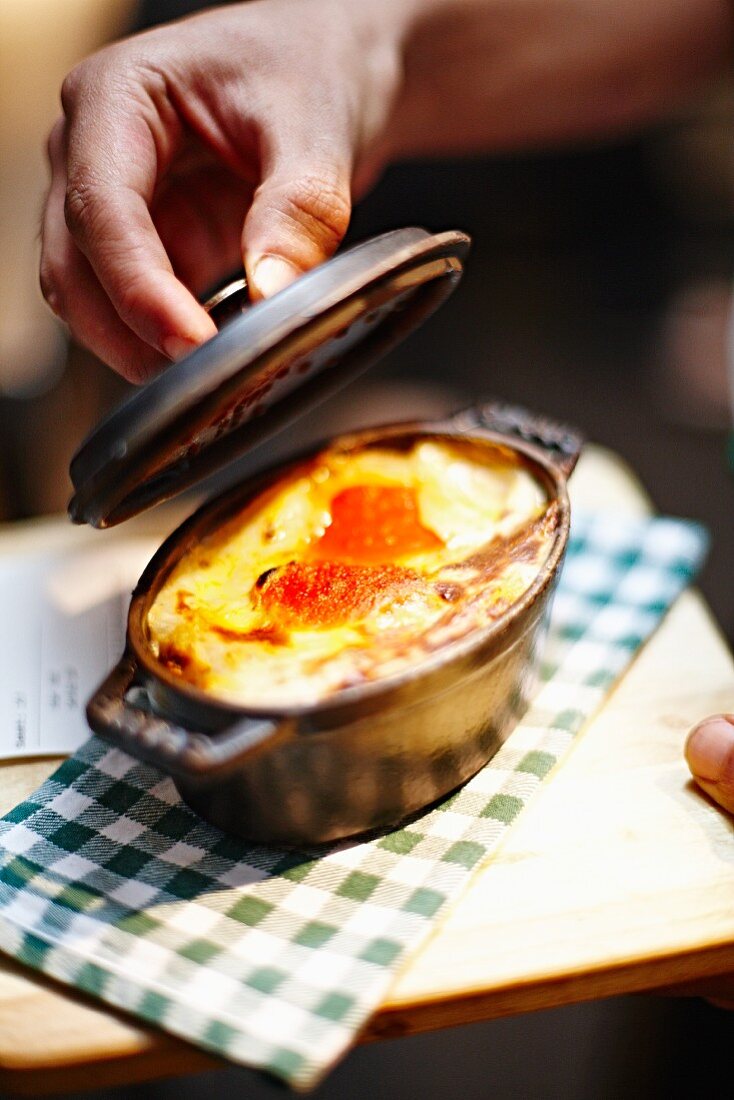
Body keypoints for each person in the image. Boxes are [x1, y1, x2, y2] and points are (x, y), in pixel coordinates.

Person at [39, 0, 734, 808]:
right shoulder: (203, 637)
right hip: (282, 159)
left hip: (581, 220)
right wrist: (361, 40)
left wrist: (372, 45)